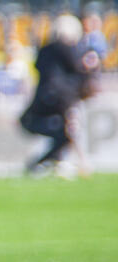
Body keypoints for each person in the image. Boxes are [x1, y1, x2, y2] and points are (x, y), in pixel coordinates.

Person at [20, 14, 95, 176]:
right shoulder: (66, 51)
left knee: (65, 134)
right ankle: (71, 163)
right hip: (61, 100)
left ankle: (48, 163)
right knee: (69, 132)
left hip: (41, 106)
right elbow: (80, 71)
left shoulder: (45, 51)